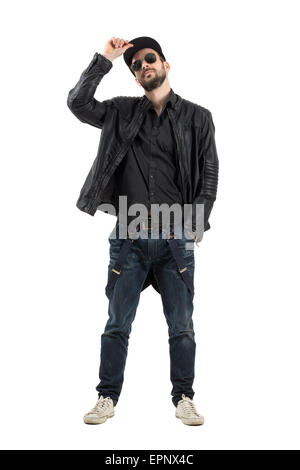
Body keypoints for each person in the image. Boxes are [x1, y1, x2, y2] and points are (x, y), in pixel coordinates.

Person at [67, 36, 219, 426]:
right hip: (129, 239)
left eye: (149, 59)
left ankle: (184, 398)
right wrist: (105, 59)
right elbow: (78, 104)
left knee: (182, 326)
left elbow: (209, 175)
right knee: (117, 323)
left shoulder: (198, 117)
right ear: (135, 78)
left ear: (166, 65)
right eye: (136, 65)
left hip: (176, 242)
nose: (143, 66)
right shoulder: (121, 112)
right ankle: (106, 398)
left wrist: (196, 222)